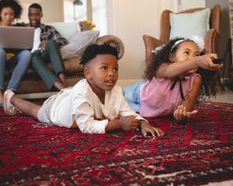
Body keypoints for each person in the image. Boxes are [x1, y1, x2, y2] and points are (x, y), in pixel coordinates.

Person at [3, 43, 164, 137]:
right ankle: (10, 97)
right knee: (35, 110)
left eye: (115, 69)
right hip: (57, 108)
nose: (111, 73)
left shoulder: (115, 90)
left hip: (71, 95)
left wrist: (142, 123)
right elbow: (86, 126)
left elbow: (127, 111)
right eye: (104, 68)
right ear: (88, 73)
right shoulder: (82, 92)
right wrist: (119, 124)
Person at [124, 38, 223, 122]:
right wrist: (197, 61)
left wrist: (181, 115)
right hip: (138, 94)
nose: (192, 58)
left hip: (148, 109)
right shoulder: (163, 68)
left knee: (129, 110)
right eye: (186, 52)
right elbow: (168, 71)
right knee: (117, 98)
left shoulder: (195, 79)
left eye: (196, 55)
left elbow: (186, 107)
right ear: (172, 57)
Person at [27, 3, 68, 91]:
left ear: (41, 15)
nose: (34, 18)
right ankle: (63, 89)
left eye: (37, 15)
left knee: (52, 42)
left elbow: (62, 40)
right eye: (31, 15)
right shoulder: (23, 28)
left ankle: (64, 82)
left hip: (43, 54)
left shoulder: (48, 29)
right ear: (28, 15)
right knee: (33, 58)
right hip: (29, 57)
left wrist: (46, 42)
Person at [0, 0, 31, 107]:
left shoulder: (19, 29)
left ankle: (10, 91)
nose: (8, 17)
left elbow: (24, 47)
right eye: (5, 14)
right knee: (1, 52)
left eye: (11, 14)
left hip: (13, 58)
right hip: (0, 57)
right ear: (0, 14)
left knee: (27, 54)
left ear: (15, 15)